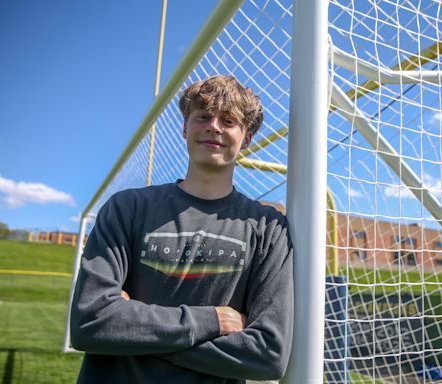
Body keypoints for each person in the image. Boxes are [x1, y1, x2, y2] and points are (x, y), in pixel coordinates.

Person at [70, 75, 294, 383]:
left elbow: (267, 355)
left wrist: (131, 329)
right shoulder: (127, 208)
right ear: (185, 127)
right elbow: (90, 322)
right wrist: (209, 320)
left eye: (229, 121)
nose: (214, 126)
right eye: (203, 116)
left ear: (247, 138)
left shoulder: (268, 228)